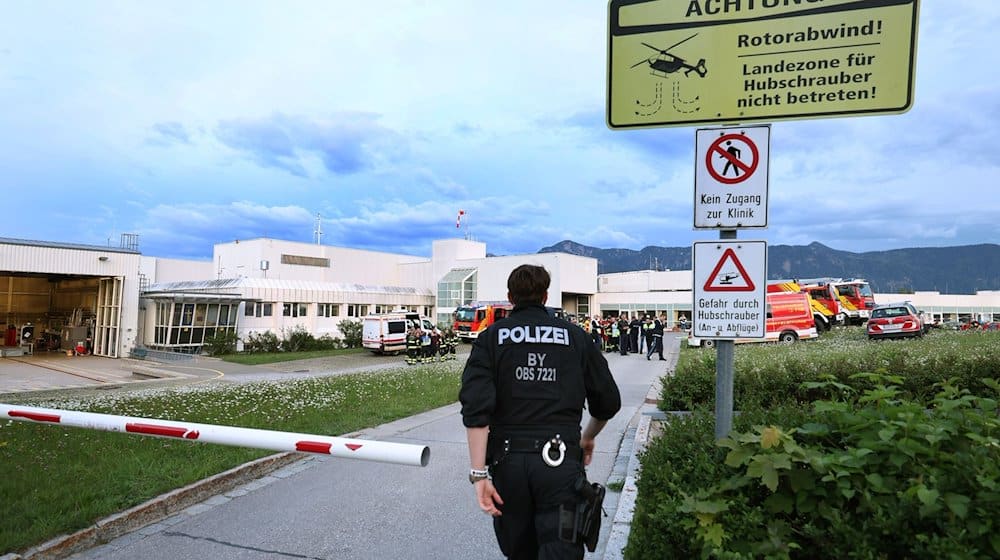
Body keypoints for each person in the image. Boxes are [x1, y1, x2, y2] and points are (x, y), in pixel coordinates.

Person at [460, 264, 621, 559]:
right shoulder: (576, 337)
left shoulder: (490, 338)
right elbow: (608, 402)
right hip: (559, 463)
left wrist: (479, 475)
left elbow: (476, 409)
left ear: (510, 297)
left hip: (508, 467)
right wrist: (587, 438)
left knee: (518, 552)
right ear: (546, 296)